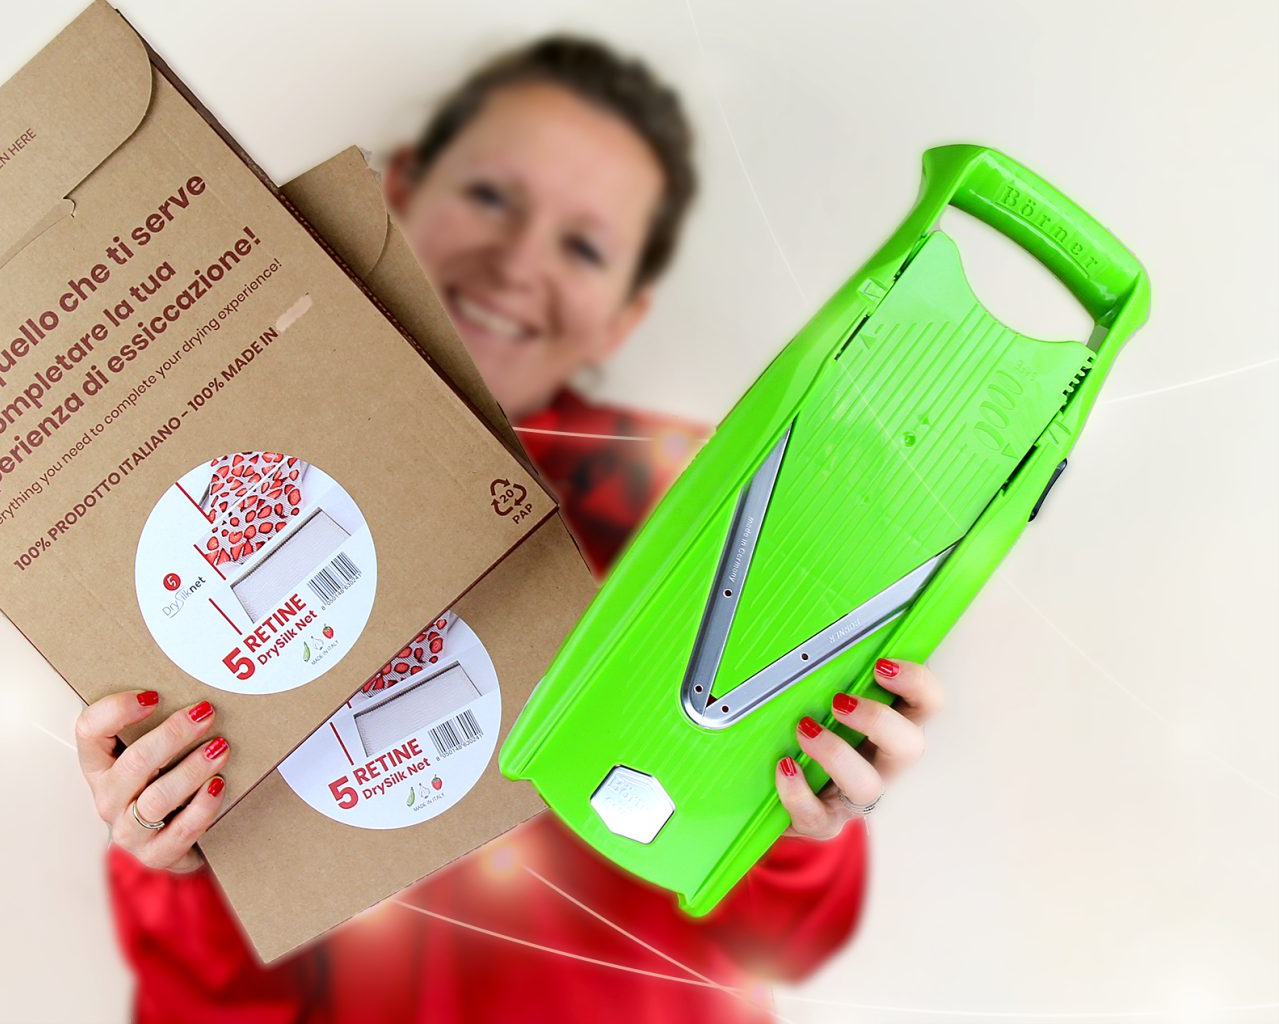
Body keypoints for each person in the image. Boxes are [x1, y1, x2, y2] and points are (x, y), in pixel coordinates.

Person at [74, 37, 946, 1023]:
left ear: (622, 317)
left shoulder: (714, 509)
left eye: (584, 247)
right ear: (402, 189)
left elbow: (786, 946)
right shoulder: (223, 513)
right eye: (490, 196)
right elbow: (202, 1004)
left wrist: (795, 817)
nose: (519, 262)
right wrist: (180, 858)